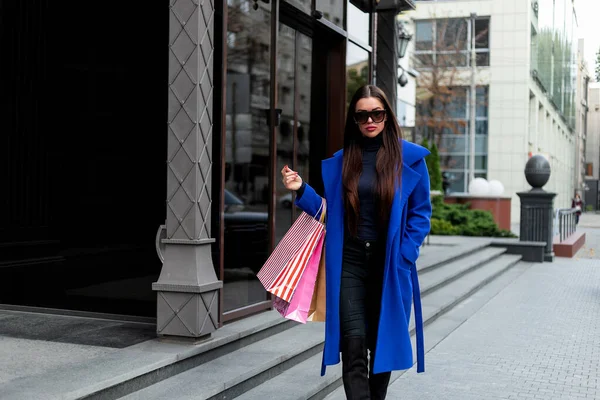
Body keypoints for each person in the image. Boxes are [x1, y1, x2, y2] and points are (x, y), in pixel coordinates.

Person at [281, 85, 431, 400]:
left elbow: (421, 215)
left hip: (388, 265)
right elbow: (329, 212)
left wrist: (405, 255)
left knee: (382, 344)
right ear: (355, 120)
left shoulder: (411, 160)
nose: (370, 120)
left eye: (377, 113)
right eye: (362, 115)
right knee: (352, 345)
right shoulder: (343, 161)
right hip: (349, 261)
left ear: (388, 117)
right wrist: (302, 189)